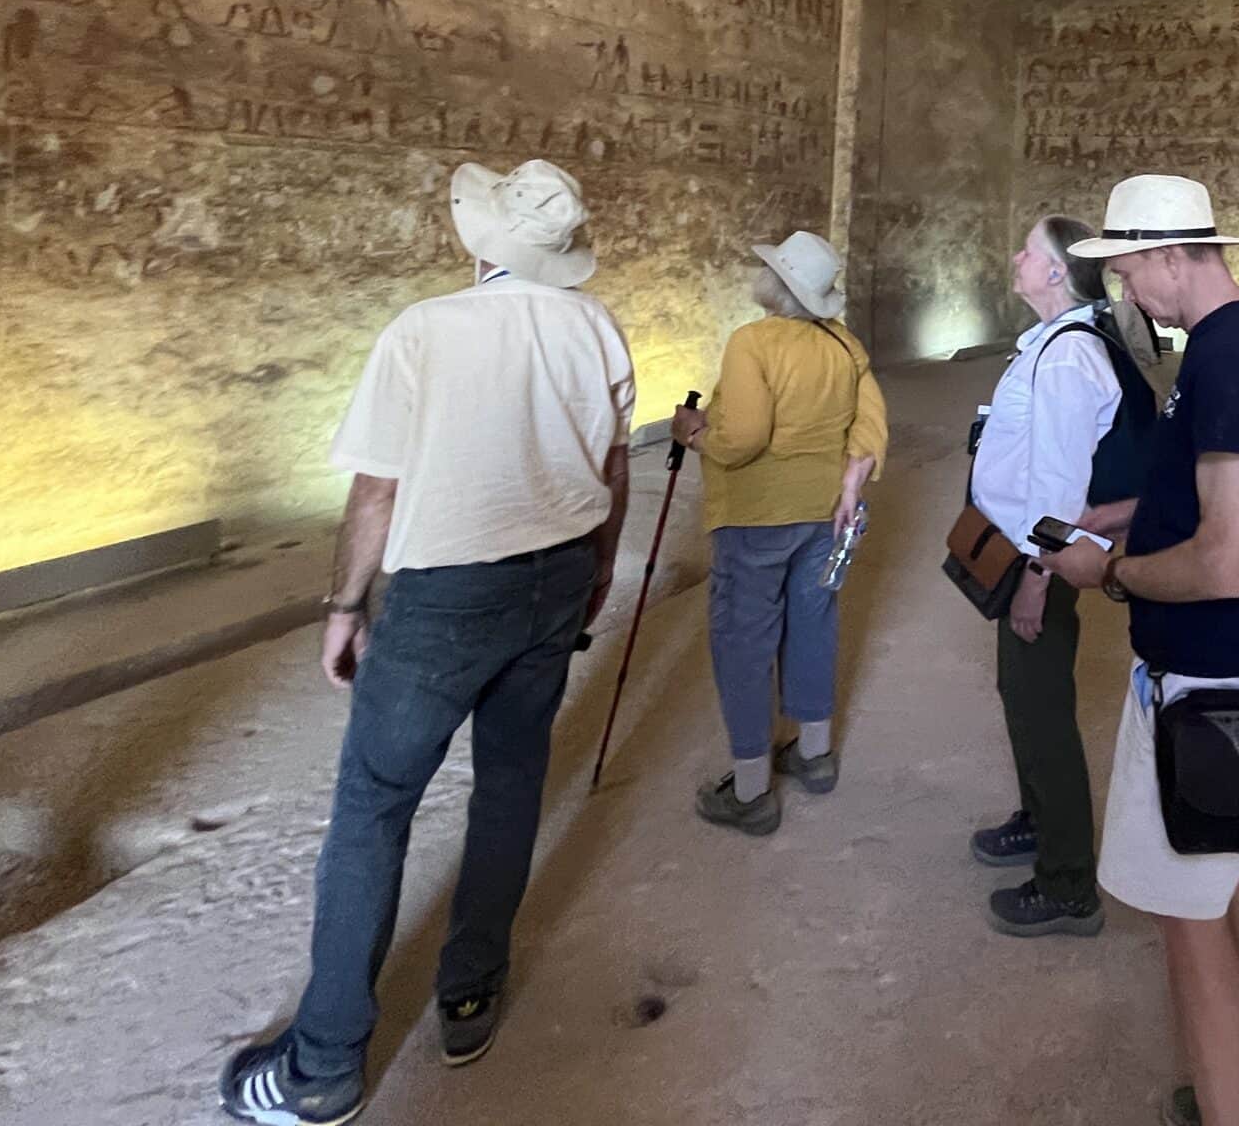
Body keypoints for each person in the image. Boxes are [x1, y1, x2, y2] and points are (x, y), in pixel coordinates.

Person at [220, 160, 635, 1125]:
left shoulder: (426, 330)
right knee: (510, 785)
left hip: (447, 594)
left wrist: (343, 606)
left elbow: (377, 488)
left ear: (482, 242)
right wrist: (599, 572)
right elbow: (613, 466)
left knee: (374, 806)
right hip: (560, 573)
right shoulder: (598, 327)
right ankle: (470, 996)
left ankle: (324, 1065)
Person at [1047, 174, 1239, 1126]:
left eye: (1130, 274)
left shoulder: (1223, 359)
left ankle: (1228, 1113)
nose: (1128, 294)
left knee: (1189, 927)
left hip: (1203, 674)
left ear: (1171, 256)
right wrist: (1128, 511)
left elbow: (1221, 559)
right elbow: (1231, 483)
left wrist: (1110, 572)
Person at [966, 216, 1152, 938]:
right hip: (1022, 552)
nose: (1016, 256)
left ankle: (1068, 883)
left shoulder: (1069, 357)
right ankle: (1039, 820)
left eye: (1029, 250)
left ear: (1055, 273)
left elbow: (1058, 487)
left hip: (1036, 561)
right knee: (1021, 696)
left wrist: (1037, 579)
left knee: (1040, 709)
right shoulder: (1055, 341)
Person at [673, 230, 887, 835]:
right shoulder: (844, 343)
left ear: (774, 284)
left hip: (756, 516)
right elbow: (871, 424)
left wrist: (695, 432)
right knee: (813, 624)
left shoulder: (753, 342)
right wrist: (852, 481)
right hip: (825, 513)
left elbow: (742, 438)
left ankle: (750, 792)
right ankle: (814, 755)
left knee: (743, 641)